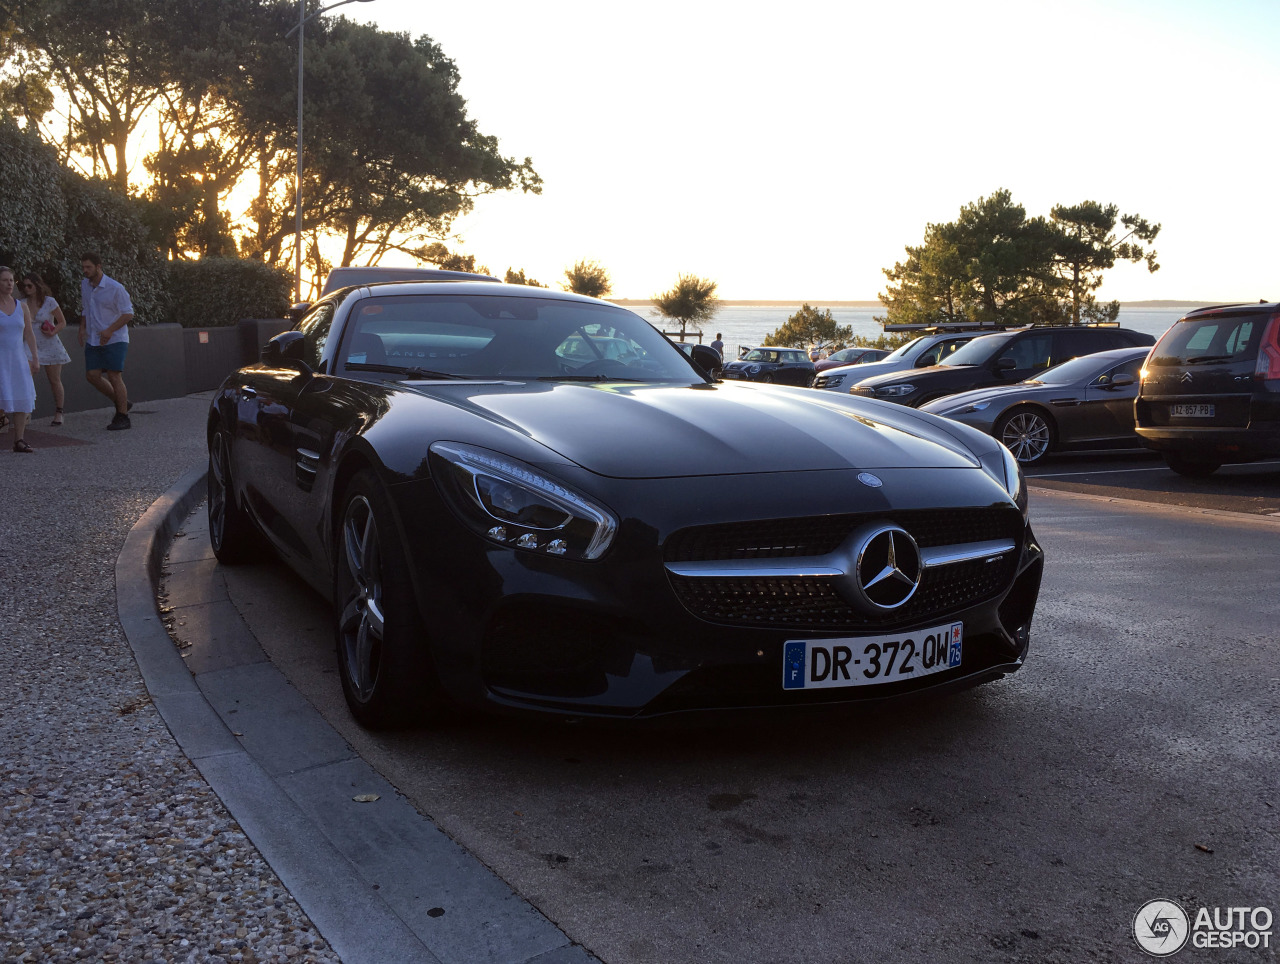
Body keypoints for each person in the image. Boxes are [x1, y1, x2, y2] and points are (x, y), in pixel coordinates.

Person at [79, 252, 134, 430]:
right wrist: (82, 328)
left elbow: (128, 313)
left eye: (88, 267)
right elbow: (86, 308)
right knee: (92, 375)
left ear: (98, 267)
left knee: (113, 375)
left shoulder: (115, 288)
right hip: (94, 338)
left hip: (115, 338)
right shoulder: (84, 286)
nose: (85, 270)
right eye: (83, 267)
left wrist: (110, 330)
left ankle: (122, 416)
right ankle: (122, 401)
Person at [20, 271, 71, 425]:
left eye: (30, 285)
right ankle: (26, 413)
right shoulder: (21, 303)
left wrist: (53, 331)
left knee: (54, 380)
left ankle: (59, 412)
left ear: (37, 285)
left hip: (50, 343)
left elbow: (62, 322)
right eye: (25, 286)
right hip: (30, 344)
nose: (27, 288)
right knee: (26, 377)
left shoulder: (49, 301)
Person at [0, 266, 40, 452]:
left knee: (21, 395)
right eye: (4, 280)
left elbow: (29, 334)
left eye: (11, 280)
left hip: (17, 357)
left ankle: (19, 440)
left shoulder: (21, 306)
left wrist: (35, 358)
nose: (9, 284)